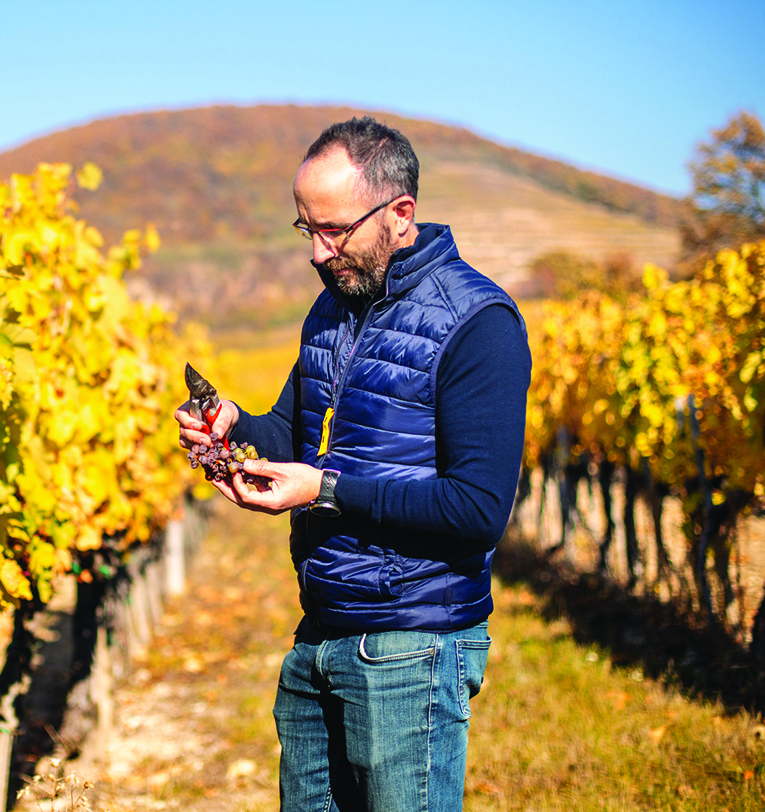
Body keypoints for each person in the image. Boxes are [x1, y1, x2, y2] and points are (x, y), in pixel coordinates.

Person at [175, 116, 531, 812]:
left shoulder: (478, 322)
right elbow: (291, 429)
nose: (317, 250)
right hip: (319, 636)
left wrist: (325, 490)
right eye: (306, 228)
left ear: (401, 215)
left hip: (413, 646)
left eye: (334, 229)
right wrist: (235, 428)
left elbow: (478, 509)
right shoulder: (335, 307)